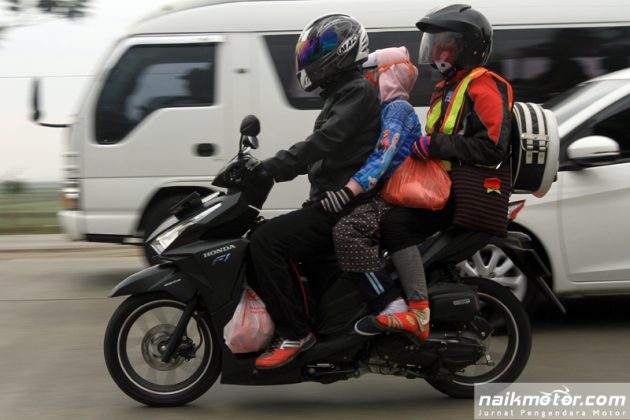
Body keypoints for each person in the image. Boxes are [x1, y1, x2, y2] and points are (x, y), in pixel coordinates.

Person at [246, 14, 382, 370]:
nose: (310, 58)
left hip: (343, 206)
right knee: (265, 235)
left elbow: (324, 141)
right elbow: (326, 152)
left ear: (344, 49)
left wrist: (271, 167)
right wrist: (275, 170)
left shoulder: (356, 92)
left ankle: (295, 333)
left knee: (266, 242)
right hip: (329, 201)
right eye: (309, 52)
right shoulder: (343, 93)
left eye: (318, 50)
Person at [373, 4, 514, 337]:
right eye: (434, 44)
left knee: (395, 226)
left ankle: (417, 311)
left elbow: (494, 147)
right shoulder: (446, 88)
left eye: (445, 44)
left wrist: (435, 145)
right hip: (438, 185)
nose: (437, 52)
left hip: (463, 192)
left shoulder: (485, 85)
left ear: (468, 48)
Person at [324, 46, 431, 341]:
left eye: (371, 75)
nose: (365, 81)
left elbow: (383, 156)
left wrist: (349, 190)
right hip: (386, 195)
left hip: (395, 197)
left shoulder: (398, 109)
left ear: (388, 76)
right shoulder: (384, 110)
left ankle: (390, 303)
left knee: (347, 231)